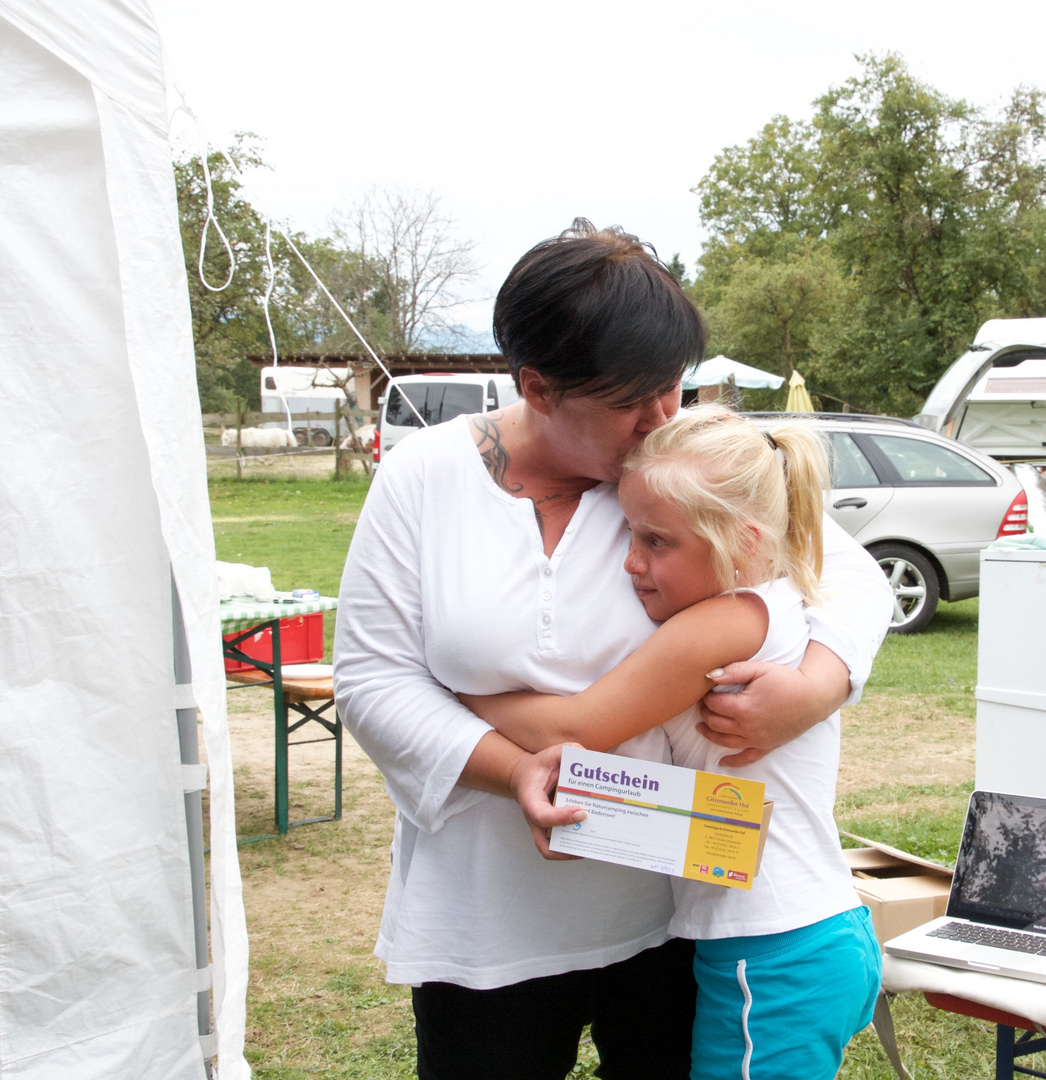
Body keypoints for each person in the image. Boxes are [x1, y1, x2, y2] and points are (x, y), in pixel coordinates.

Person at [333, 220, 892, 1080]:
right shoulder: (424, 478)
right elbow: (372, 681)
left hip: (673, 918)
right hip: (488, 922)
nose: (663, 415)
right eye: (634, 398)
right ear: (539, 388)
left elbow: (840, 570)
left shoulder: (673, 473)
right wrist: (510, 769)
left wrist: (815, 685)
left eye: (673, 386)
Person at [458, 406, 882, 1080]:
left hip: (771, 950)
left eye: (657, 541)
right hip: (805, 932)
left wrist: (458, 683)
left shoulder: (727, 622)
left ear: (744, 542)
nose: (631, 562)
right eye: (630, 533)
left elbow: (578, 730)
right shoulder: (775, 604)